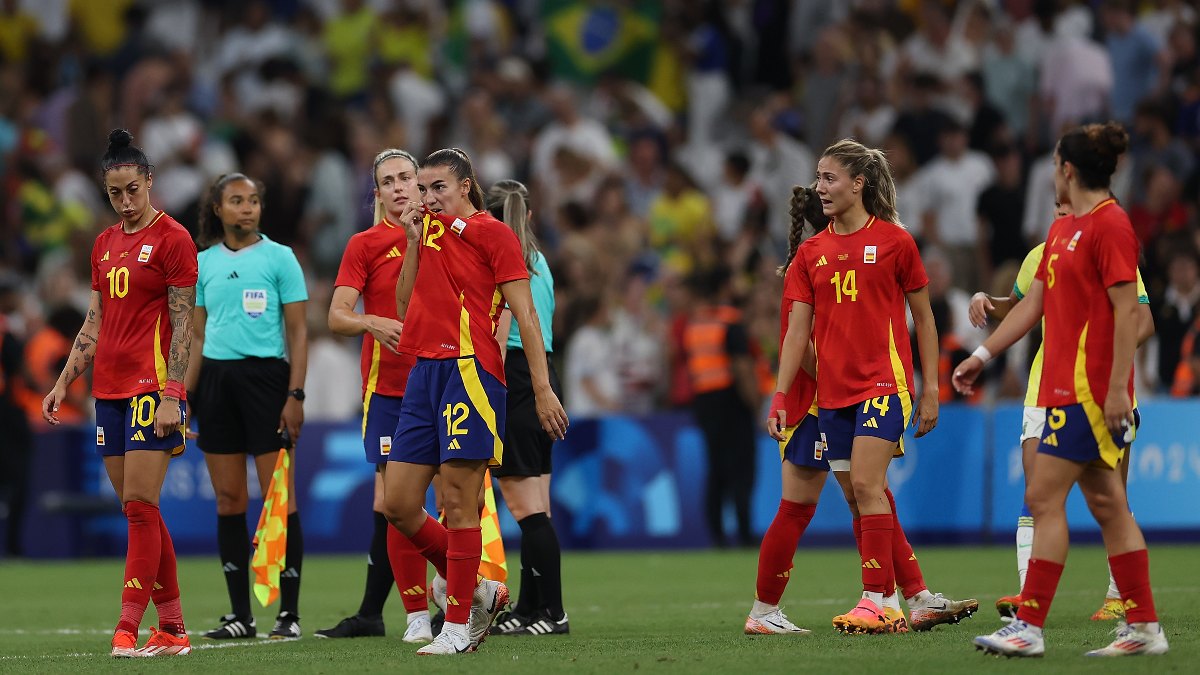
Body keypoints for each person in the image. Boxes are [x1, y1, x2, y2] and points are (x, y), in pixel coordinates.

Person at [957, 122, 1169, 657]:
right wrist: (982, 356)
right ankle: (1143, 629)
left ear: (1068, 170)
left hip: (1090, 392)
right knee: (1107, 505)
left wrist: (1119, 390)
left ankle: (1029, 625)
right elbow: (1033, 305)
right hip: (1064, 391)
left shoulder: (1110, 226)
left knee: (1044, 496)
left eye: (1054, 167)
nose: (1052, 176)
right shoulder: (1062, 231)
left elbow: (1130, 315)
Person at [753, 181, 977, 636]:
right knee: (836, 500)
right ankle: (882, 599)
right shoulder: (817, 261)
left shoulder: (823, 259)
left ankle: (909, 596)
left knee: (866, 494)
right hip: (817, 400)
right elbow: (809, 346)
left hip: (820, 397)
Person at [382, 148, 568, 655]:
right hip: (424, 373)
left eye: (437, 187)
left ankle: (458, 628)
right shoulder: (427, 233)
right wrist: (414, 241)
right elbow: (403, 303)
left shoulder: (493, 234)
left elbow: (525, 316)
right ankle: (481, 589)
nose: (426, 197)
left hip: (472, 373)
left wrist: (544, 388)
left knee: (461, 505)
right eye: (422, 189)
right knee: (397, 503)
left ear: (466, 187)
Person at [42, 129, 196, 657]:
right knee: (142, 511)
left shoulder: (174, 239)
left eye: (133, 190)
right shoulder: (104, 244)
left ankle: (128, 627)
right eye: (115, 194)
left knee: (137, 505)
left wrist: (175, 393)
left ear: (150, 182)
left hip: (152, 388)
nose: (126, 202)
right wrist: (65, 380)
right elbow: (94, 320)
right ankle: (173, 629)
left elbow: (182, 325)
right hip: (107, 389)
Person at [968, 199, 1154, 623]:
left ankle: (1119, 598)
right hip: (1045, 390)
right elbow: (1021, 307)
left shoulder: (1112, 249)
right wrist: (985, 301)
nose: (1059, 209)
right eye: (1054, 203)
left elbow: (1142, 320)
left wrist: (1110, 360)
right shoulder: (1041, 253)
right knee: (1037, 495)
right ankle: (1026, 598)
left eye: (1066, 202)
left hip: (1104, 389)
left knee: (1112, 500)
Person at [185, 173, 309, 641]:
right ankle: (241, 615)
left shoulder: (280, 258)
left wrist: (295, 395)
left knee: (280, 499)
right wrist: (185, 400)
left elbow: (297, 333)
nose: (247, 208)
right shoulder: (203, 264)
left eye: (254, 200)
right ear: (217, 208)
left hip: (267, 382)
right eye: (237, 200)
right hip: (216, 383)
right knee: (229, 499)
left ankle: (289, 614)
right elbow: (196, 337)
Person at [317, 148, 433, 644]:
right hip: (387, 390)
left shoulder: (446, 233)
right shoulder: (364, 245)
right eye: (389, 181)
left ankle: (454, 598)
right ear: (378, 193)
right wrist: (371, 321)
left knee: (450, 499)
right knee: (393, 504)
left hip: (443, 380)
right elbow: (336, 316)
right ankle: (415, 616)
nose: (400, 187)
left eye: (407, 177)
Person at [487, 180, 569, 637]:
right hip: (544, 377)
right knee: (537, 506)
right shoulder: (539, 264)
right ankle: (529, 608)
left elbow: (499, 337)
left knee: (525, 510)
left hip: (516, 382)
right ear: (529, 217)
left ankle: (554, 613)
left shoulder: (502, 264)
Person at [683, 267, 759, 548]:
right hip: (732, 402)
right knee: (741, 469)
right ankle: (745, 532)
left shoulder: (695, 324)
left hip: (705, 402)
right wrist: (754, 405)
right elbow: (741, 368)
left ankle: (716, 535)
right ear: (725, 288)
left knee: (716, 469)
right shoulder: (731, 322)